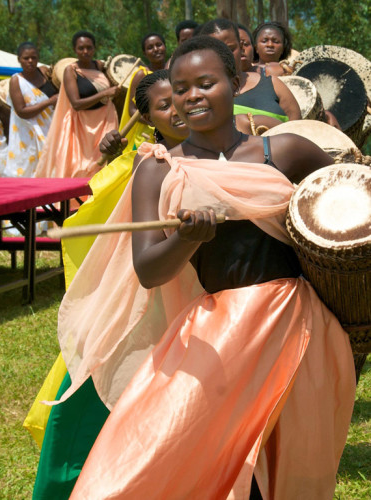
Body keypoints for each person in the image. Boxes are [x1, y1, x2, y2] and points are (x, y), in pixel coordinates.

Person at [53, 36, 355, 499]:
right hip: (217, 333)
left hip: (295, 326)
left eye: (206, 83)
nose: (192, 96)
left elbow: (347, 203)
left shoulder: (286, 151)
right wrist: (186, 239)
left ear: (234, 83)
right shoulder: (158, 169)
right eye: (181, 89)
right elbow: (149, 270)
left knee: (280, 463)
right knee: (170, 448)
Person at [28, 69, 189, 500]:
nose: (178, 109)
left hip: (197, 297)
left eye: (182, 97)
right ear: (147, 117)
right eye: (164, 105)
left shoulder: (223, 154)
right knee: (96, 385)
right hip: (135, 290)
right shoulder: (147, 160)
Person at [34, 31, 119, 178]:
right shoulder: (71, 71)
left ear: (94, 48)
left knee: (106, 161)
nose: (85, 51)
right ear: (75, 50)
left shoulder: (99, 66)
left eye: (89, 48)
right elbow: (76, 104)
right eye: (81, 48)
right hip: (81, 126)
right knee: (79, 168)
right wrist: (105, 93)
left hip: (106, 119)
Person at [196, 18, 301, 122]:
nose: (225, 56)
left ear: (241, 47)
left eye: (231, 49)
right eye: (216, 52)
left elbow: (299, 128)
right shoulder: (197, 95)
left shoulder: (273, 84)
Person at [3, 42, 58, 177]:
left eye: (34, 58)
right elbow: (21, 111)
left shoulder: (44, 73)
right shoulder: (16, 81)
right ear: (19, 60)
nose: (30, 61)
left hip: (51, 129)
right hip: (27, 136)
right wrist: (49, 102)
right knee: (29, 171)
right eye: (26, 58)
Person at [116, 32, 168, 153]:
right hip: (146, 134)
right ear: (144, 53)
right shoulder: (141, 74)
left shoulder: (172, 70)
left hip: (170, 130)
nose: (156, 49)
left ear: (165, 46)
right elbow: (132, 109)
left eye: (159, 45)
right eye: (150, 47)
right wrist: (158, 122)